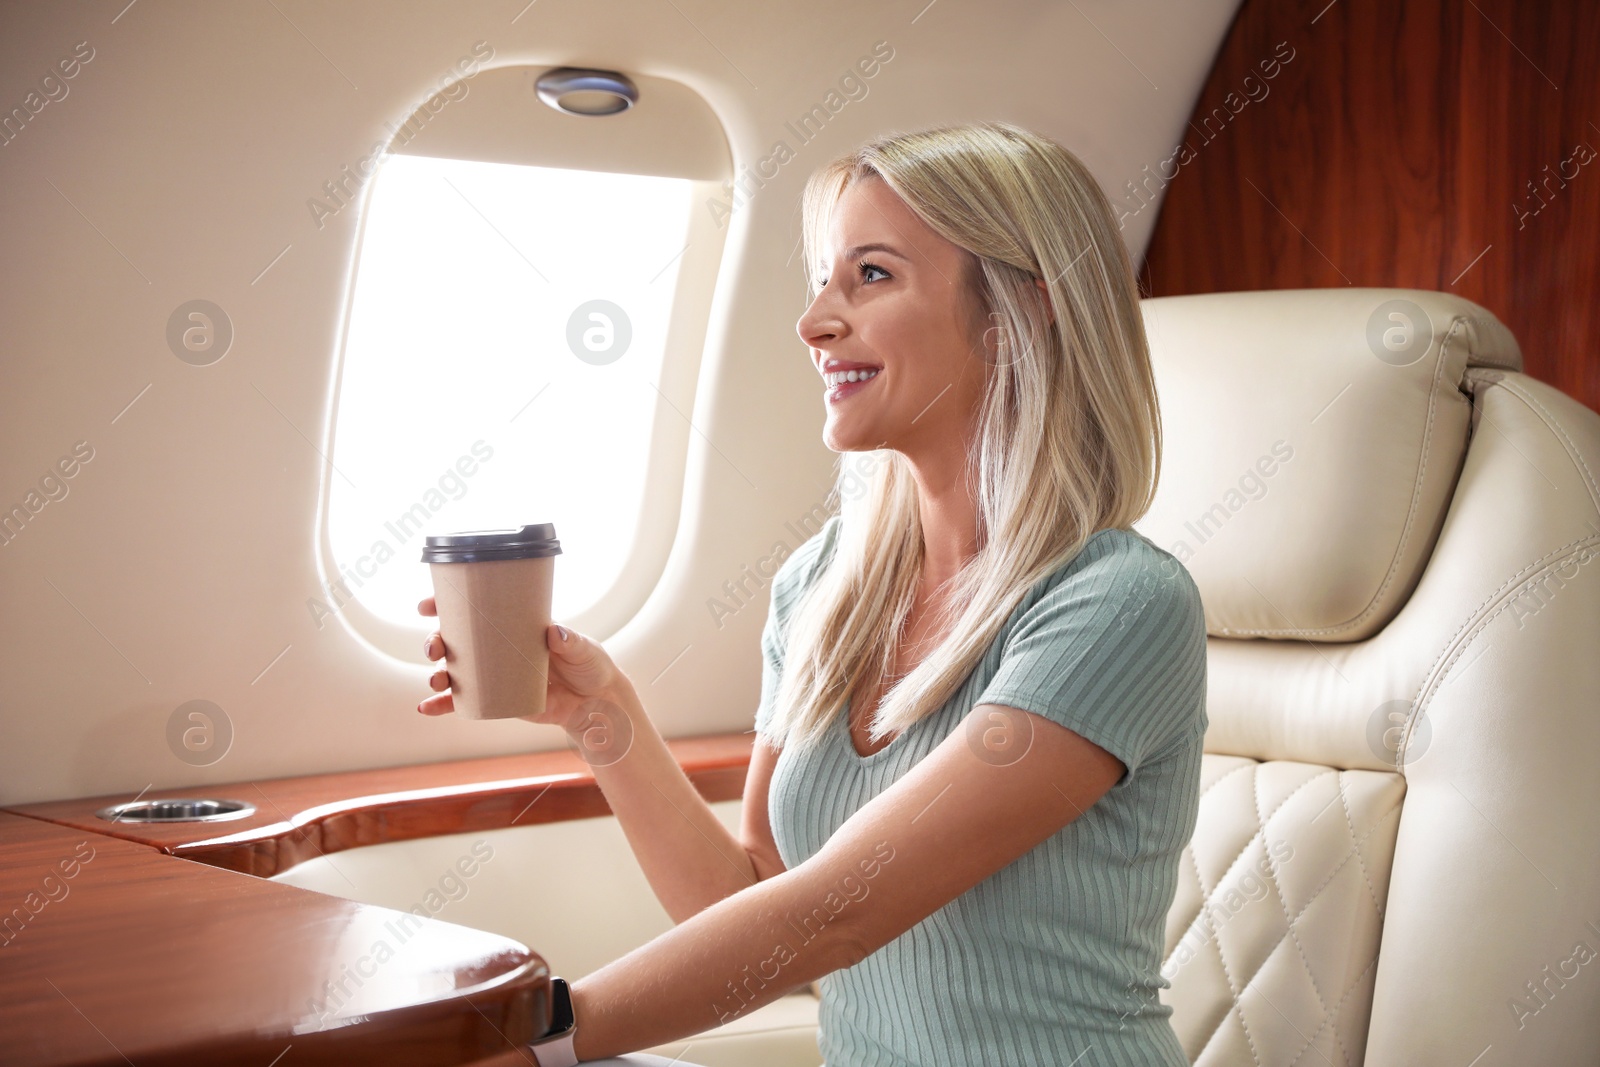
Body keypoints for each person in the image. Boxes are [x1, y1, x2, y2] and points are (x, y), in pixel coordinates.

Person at [419, 120, 1207, 1067]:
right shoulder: (820, 589)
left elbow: (835, 916)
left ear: (1019, 310)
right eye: (825, 278)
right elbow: (753, 898)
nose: (814, 322)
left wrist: (535, 1036)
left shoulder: (1121, 606)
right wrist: (601, 714)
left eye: (871, 275)